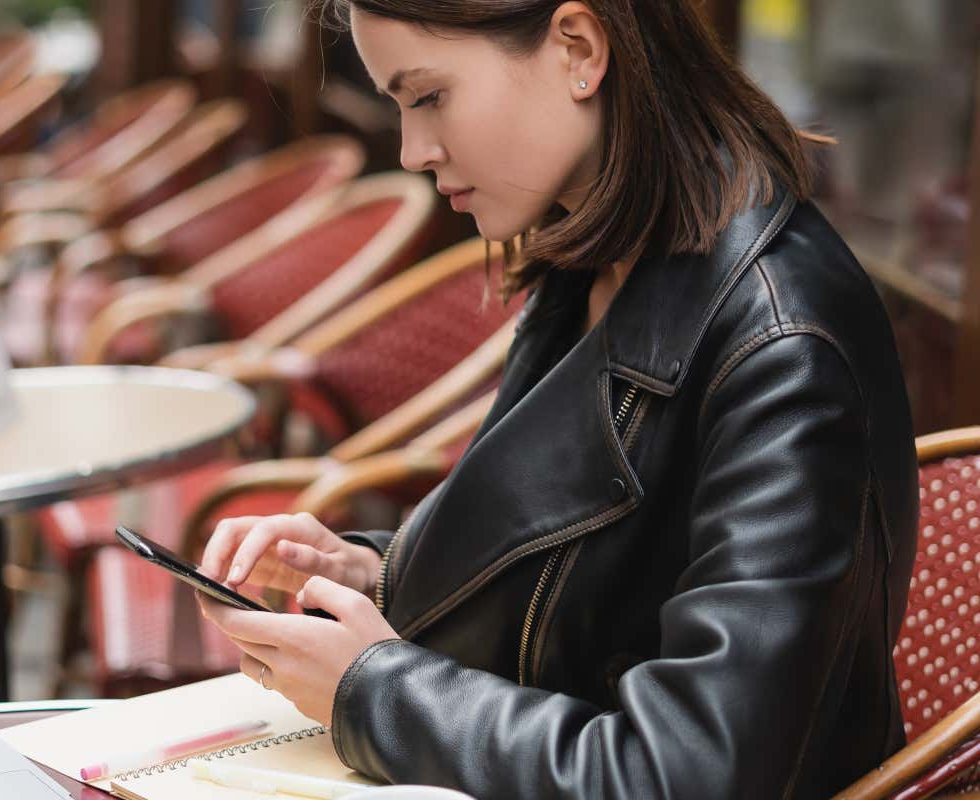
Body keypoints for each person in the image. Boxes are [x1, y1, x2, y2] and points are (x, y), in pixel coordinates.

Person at [195, 2, 918, 797]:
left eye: (429, 96)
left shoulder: (782, 347)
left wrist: (374, 690)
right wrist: (372, 574)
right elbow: (572, 586)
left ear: (579, 48)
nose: (411, 150)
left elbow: (690, 774)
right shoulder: (599, 256)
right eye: (398, 105)